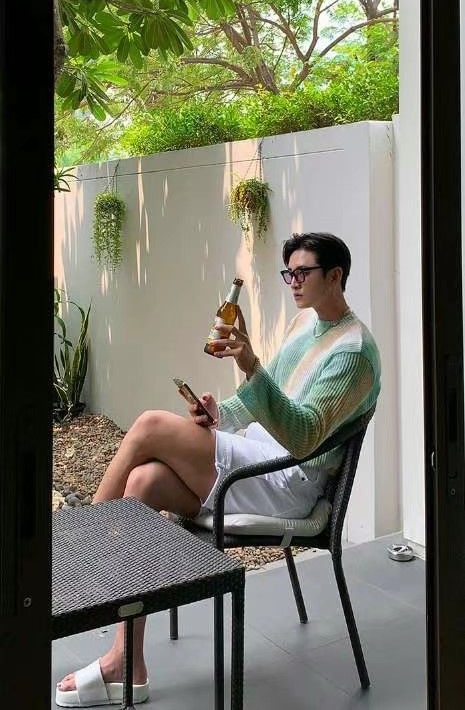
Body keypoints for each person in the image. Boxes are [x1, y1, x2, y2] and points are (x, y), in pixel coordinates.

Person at [56, 232, 381, 707]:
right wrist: (218, 415)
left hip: (286, 481)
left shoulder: (353, 353)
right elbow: (260, 400)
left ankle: (76, 553)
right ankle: (126, 660)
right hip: (256, 457)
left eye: (302, 273)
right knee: (143, 481)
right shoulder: (306, 325)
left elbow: (304, 437)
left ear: (335, 276)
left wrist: (251, 365)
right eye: (288, 273)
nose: (293, 281)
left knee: (149, 426)